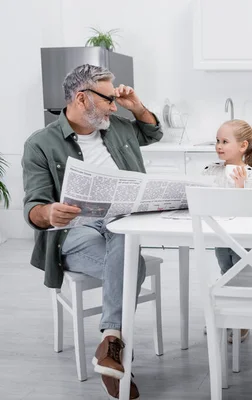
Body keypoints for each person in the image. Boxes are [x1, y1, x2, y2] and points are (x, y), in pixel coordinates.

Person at [22, 64, 163, 399]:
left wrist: (137, 107)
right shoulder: (41, 144)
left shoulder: (118, 127)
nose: (115, 107)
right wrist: (49, 211)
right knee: (132, 264)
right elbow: (34, 208)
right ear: (82, 98)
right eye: (109, 99)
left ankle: (111, 342)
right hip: (74, 233)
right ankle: (115, 348)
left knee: (123, 235)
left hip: (120, 224)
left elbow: (154, 133)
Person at [202, 119, 252, 343]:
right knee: (225, 273)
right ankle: (226, 315)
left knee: (241, 276)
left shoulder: (250, 173)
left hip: (245, 236)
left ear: (243, 146)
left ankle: (242, 322)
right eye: (217, 141)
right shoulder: (211, 170)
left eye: (225, 141)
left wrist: (241, 187)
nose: (219, 145)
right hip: (220, 233)